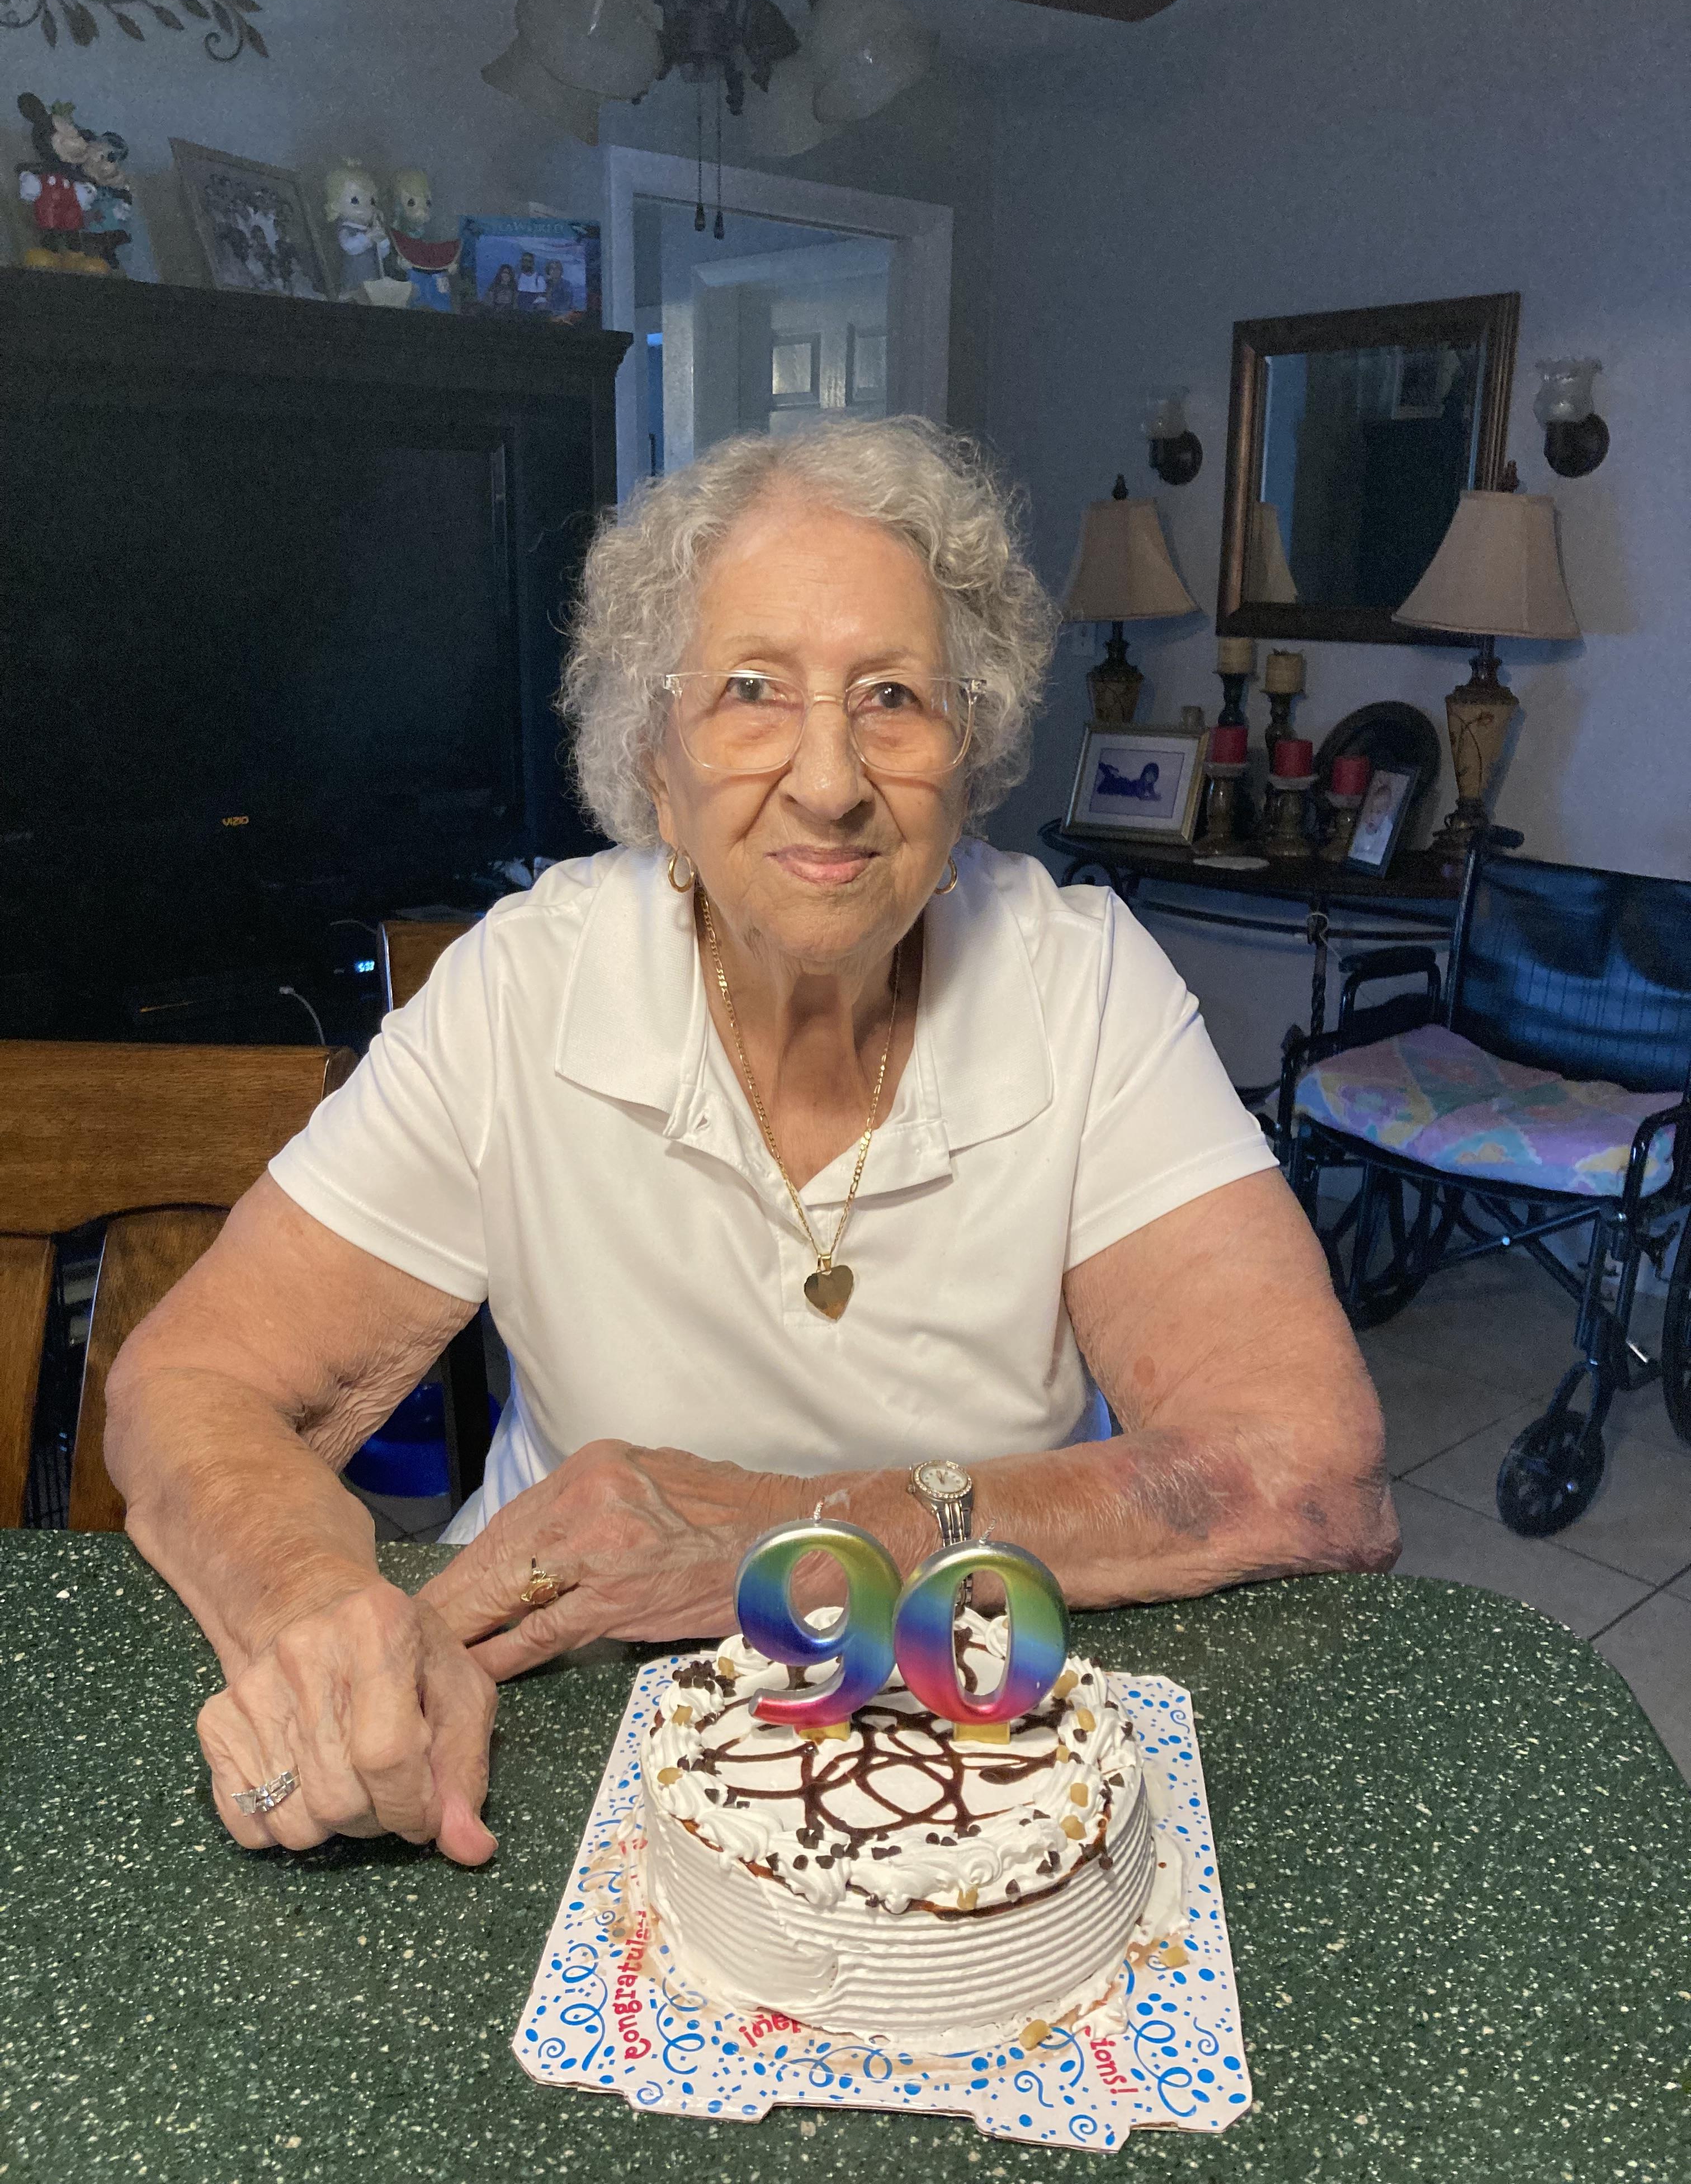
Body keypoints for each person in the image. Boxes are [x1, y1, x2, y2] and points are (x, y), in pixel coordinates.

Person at [106, 418, 1396, 1868]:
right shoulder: (526, 988)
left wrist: (782, 1542)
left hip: (976, 1725)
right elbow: (189, 1381)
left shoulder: (1078, 981)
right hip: (561, 1720)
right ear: (654, 761)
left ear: (967, 759)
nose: (831, 780)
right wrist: (312, 1615)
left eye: (894, 698)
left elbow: (1303, 1468)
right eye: (750, 693)